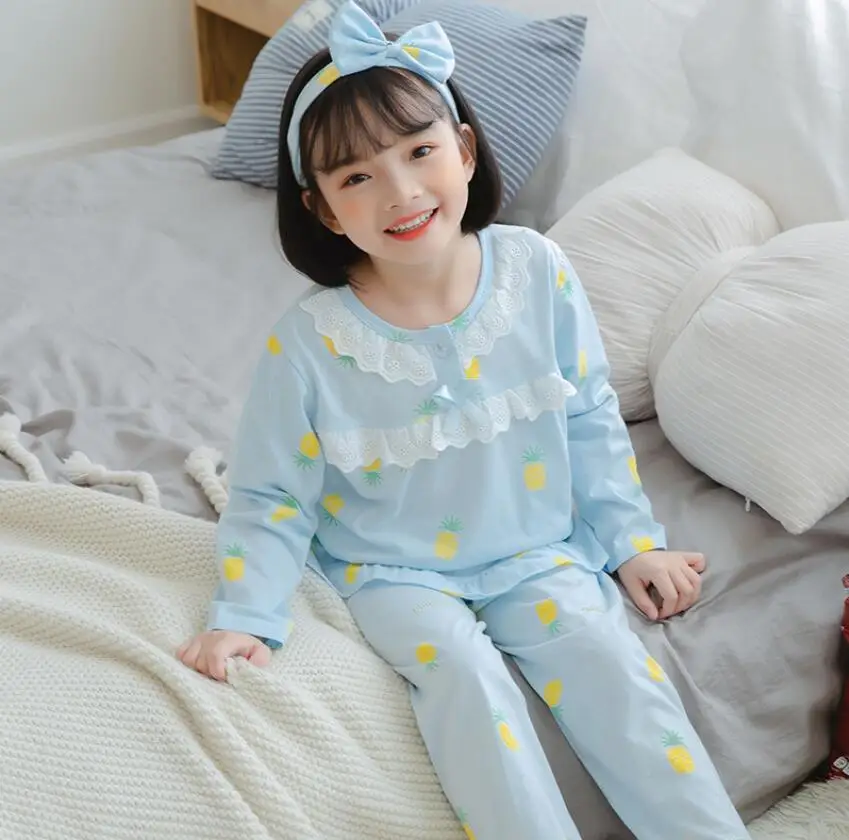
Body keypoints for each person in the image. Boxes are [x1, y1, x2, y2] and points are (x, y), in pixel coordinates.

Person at [178, 3, 750, 838]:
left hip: (537, 548)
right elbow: (270, 497)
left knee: (613, 672)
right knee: (463, 680)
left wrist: (632, 542)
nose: (401, 192)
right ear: (324, 209)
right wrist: (244, 615)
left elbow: (588, 413)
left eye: (419, 152)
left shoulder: (536, 269)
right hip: (392, 572)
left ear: (466, 151)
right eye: (356, 177)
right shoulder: (308, 344)